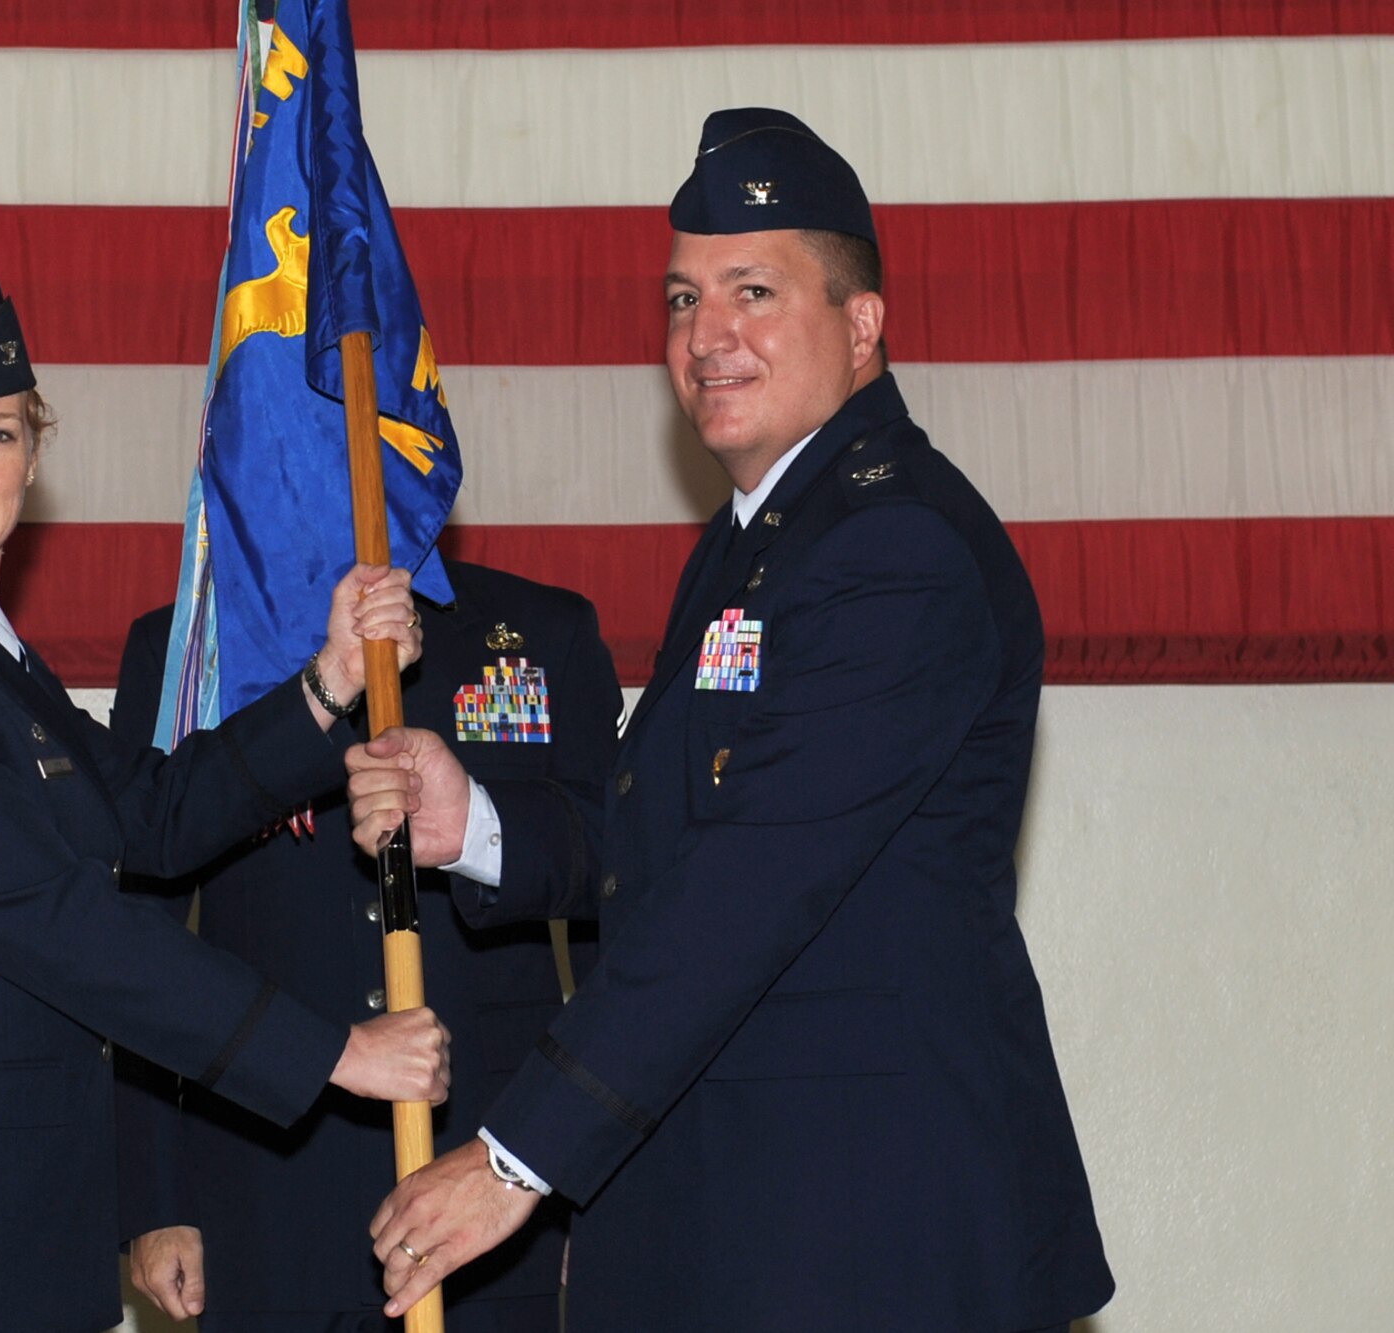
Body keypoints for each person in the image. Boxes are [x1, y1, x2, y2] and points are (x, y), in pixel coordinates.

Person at [346, 110, 1117, 1331]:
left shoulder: (893, 547)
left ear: (860, 325)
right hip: (751, 1215)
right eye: (680, 297)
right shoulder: (761, 538)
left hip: (866, 1227)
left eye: (753, 292)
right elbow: (666, 831)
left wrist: (510, 1158)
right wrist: (477, 824)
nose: (706, 336)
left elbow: (745, 889)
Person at [0, 273, 450, 1333]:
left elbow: (148, 813)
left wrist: (329, 681)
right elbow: (63, 927)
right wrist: (332, 1053)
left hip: (3, 1247)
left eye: (2, 435)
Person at [113, 562, 622, 1332]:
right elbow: (139, 938)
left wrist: (588, 1177)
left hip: (491, 1189)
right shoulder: (190, 647)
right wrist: (157, 1199)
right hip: (263, 1196)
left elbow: (607, 925)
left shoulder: (546, 633)